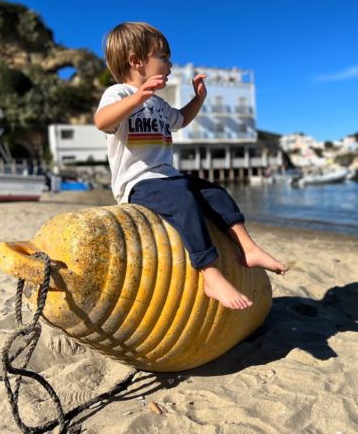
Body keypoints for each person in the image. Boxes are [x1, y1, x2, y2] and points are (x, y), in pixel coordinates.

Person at [95, 22, 287, 310]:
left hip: (168, 177)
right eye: (163, 57)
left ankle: (248, 249)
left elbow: (181, 119)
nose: (170, 64)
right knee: (184, 202)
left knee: (214, 192)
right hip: (137, 183)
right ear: (136, 62)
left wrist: (198, 99)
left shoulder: (158, 104)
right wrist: (139, 97)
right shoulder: (119, 94)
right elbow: (103, 121)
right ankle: (210, 274)